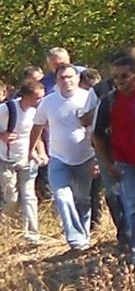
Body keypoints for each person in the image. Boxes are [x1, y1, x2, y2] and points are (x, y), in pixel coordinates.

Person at [92, 50, 135, 266]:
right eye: (115, 77)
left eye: (124, 76)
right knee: (134, 204)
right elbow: (97, 134)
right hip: (126, 162)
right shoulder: (108, 102)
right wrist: (107, 162)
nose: (119, 81)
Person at [33, 61, 99, 251]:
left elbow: (97, 129)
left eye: (70, 77)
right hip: (58, 158)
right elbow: (37, 126)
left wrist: (97, 158)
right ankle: (75, 239)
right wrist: (34, 150)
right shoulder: (49, 101)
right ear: (56, 80)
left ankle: (84, 237)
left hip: (85, 157)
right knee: (62, 197)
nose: (67, 81)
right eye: (62, 77)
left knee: (82, 199)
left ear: (78, 79)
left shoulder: (88, 98)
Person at [0, 71, 37, 240]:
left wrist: (38, 152)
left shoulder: (35, 112)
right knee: (11, 199)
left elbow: (37, 133)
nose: (40, 100)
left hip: (26, 159)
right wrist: (2, 136)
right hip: (5, 160)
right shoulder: (6, 109)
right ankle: (10, 231)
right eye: (37, 97)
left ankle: (32, 235)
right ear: (27, 96)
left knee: (29, 196)